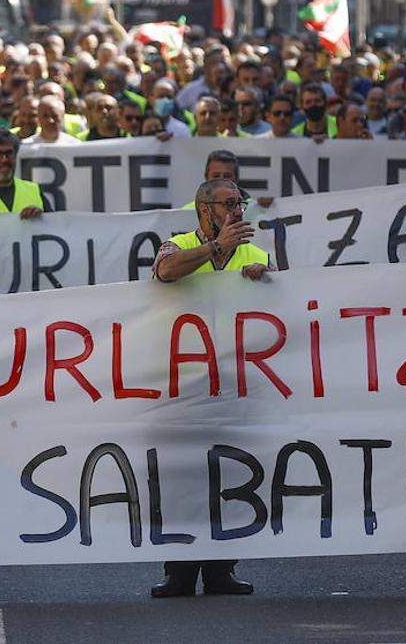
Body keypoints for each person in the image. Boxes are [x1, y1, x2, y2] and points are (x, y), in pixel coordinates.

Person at [148, 177, 271, 598]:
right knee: (184, 476)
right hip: (186, 384)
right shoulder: (177, 243)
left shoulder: (256, 252)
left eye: (241, 203)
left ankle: (222, 568)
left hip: (237, 381)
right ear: (206, 211)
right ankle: (180, 570)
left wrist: (266, 278)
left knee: (231, 473)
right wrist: (216, 248)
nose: (239, 210)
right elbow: (164, 272)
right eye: (230, 203)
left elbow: (281, 306)